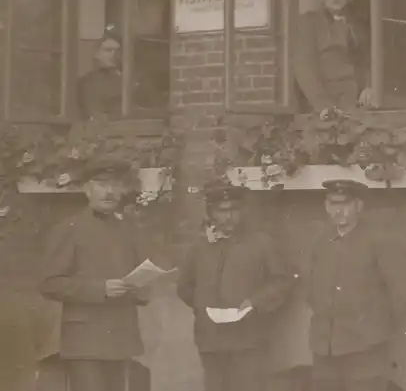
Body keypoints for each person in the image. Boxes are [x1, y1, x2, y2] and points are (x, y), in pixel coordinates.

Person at [39, 159, 149, 391]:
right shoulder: (69, 228)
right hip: (85, 340)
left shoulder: (128, 229)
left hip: (121, 335)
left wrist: (142, 287)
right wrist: (101, 289)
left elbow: (140, 272)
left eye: (115, 184)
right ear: (87, 189)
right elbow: (49, 283)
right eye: (101, 184)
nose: (109, 191)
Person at [176, 180, 293, 391]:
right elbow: (184, 287)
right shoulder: (199, 248)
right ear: (211, 213)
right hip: (210, 339)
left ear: (242, 211)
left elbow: (281, 281)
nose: (228, 217)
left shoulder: (261, 244)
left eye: (234, 210)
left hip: (248, 338)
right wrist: (203, 307)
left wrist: (255, 302)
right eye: (222, 211)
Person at [307, 179, 406, 391]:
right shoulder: (320, 240)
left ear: (359, 206)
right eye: (333, 204)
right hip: (325, 346)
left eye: (344, 204)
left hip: (365, 347)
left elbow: (401, 292)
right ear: (326, 206)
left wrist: (377, 329)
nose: (338, 211)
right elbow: (310, 285)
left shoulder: (379, 239)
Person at [294, 0, 372, 113]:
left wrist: (370, 85)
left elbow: (369, 60)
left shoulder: (359, 25)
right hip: (330, 106)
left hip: (359, 104)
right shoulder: (310, 23)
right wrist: (323, 105)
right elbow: (304, 68)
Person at [77, 28, 123, 120]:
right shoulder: (89, 82)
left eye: (117, 51)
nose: (113, 55)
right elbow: (95, 114)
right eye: (108, 50)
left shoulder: (132, 79)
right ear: (97, 54)